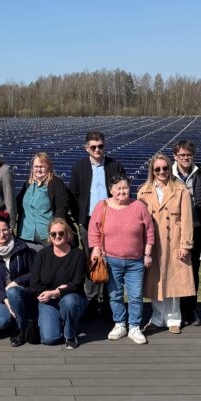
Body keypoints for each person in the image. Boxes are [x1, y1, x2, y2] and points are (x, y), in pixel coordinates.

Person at [89, 174, 155, 345]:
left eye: (125, 187)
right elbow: (94, 230)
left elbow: (149, 231)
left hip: (135, 261)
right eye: (118, 188)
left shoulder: (138, 206)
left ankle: (134, 327)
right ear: (111, 190)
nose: (122, 191)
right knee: (115, 295)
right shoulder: (102, 206)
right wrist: (95, 249)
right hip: (111, 261)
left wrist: (147, 253)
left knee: (135, 295)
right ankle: (120, 324)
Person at [68, 130, 126, 316]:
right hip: (88, 222)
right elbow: (73, 195)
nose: (97, 150)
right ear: (86, 148)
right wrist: (80, 218)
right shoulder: (79, 167)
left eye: (100, 146)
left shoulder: (115, 166)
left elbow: (123, 191)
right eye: (93, 147)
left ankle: (108, 302)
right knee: (91, 261)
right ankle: (91, 301)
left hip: (112, 222)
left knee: (111, 261)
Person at [136, 152, 195, 334]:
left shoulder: (181, 190)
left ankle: (174, 319)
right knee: (155, 281)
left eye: (165, 168)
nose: (162, 172)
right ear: (152, 171)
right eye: (157, 169)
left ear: (170, 168)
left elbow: (187, 219)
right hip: (152, 244)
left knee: (174, 281)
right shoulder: (143, 191)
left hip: (174, 242)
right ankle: (157, 318)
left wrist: (185, 244)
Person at [29, 218, 87, 348]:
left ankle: (70, 335)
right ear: (49, 236)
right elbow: (34, 283)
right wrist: (48, 294)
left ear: (68, 234)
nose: (57, 236)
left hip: (72, 297)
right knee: (49, 339)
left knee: (69, 301)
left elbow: (77, 284)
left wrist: (57, 292)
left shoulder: (78, 255)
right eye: (53, 234)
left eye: (61, 233)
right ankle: (63, 320)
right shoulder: (42, 255)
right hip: (49, 300)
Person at [172, 140, 201, 326]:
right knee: (176, 267)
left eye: (188, 154)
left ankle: (191, 308)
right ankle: (177, 309)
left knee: (193, 267)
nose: (185, 158)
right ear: (175, 156)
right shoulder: (168, 173)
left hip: (196, 227)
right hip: (174, 228)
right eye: (182, 155)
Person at [0, 216, 35, 343]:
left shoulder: (22, 247)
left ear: (10, 230)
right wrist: (4, 299)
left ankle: (20, 330)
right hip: (2, 297)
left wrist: (17, 282)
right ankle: (19, 316)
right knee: (0, 322)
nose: (2, 234)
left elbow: (34, 272)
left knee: (13, 291)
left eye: (5, 230)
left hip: (22, 292)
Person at [16, 152, 71, 250]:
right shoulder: (28, 184)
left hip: (47, 236)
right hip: (26, 234)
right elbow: (18, 205)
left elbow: (62, 207)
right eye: (36, 166)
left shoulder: (56, 184)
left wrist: (56, 231)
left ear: (48, 167)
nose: (38, 169)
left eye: (42, 166)